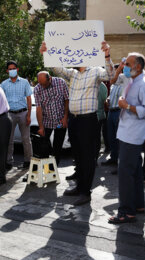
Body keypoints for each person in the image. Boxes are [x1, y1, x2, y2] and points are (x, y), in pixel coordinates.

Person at [40, 40, 114, 206]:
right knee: (78, 157)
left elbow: (110, 75)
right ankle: (79, 187)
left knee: (88, 158)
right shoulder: (72, 74)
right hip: (74, 120)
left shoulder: (95, 71)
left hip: (88, 120)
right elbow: (56, 68)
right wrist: (46, 52)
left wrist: (107, 55)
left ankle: (85, 192)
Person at [109, 52, 145, 224]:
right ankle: (138, 205)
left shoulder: (143, 85)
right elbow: (113, 78)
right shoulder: (132, 80)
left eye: (128, 64)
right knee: (134, 172)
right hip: (128, 132)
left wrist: (126, 105)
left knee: (125, 174)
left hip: (133, 135)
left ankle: (126, 212)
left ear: (138, 67)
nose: (125, 66)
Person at [1, 60, 33, 170]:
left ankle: (28, 160)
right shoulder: (4, 84)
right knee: (9, 139)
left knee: (26, 139)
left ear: (17, 69)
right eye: (10, 69)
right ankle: (8, 161)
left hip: (23, 113)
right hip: (9, 114)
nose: (12, 70)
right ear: (7, 71)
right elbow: (1, 100)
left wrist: (29, 115)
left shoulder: (24, 82)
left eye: (13, 68)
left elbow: (29, 99)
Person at [34, 71, 69, 165]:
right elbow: (39, 108)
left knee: (57, 148)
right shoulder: (37, 88)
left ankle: (54, 171)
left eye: (44, 84)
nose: (42, 86)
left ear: (50, 78)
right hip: (46, 122)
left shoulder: (61, 83)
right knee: (43, 148)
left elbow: (66, 100)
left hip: (60, 121)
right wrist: (41, 127)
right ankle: (44, 172)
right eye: (40, 84)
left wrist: (65, 117)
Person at [96, 81, 108, 162]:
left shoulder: (93, 84)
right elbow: (105, 100)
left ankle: (93, 157)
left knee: (93, 138)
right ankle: (95, 157)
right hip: (100, 115)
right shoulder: (103, 86)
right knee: (96, 138)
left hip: (95, 115)